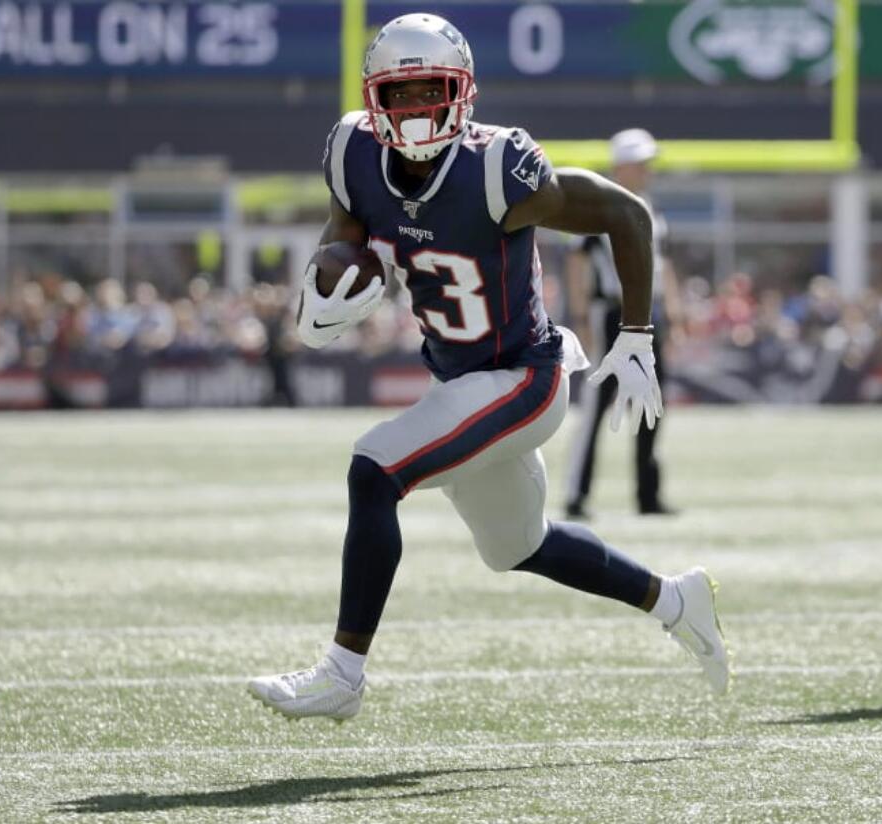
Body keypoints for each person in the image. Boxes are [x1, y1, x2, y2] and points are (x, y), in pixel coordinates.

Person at [246, 14, 730, 721]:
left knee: (374, 468)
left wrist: (637, 335)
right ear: (375, 99)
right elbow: (345, 237)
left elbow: (627, 214)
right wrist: (326, 291)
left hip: (523, 378)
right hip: (461, 380)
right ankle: (674, 597)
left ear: (461, 93)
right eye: (399, 95)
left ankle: (342, 675)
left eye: (428, 91)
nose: (413, 111)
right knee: (518, 546)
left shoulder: (499, 167)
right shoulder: (352, 151)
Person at [562, 129, 683, 518]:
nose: (648, 170)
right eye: (641, 162)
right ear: (621, 166)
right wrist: (581, 315)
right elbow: (577, 262)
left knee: (651, 404)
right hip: (610, 313)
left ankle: (648, 496)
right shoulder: (597, 207)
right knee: (596, 404)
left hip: (648, 315)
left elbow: (662, 267)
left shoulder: (651, 208)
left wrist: (674, 315)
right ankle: (576, 496)